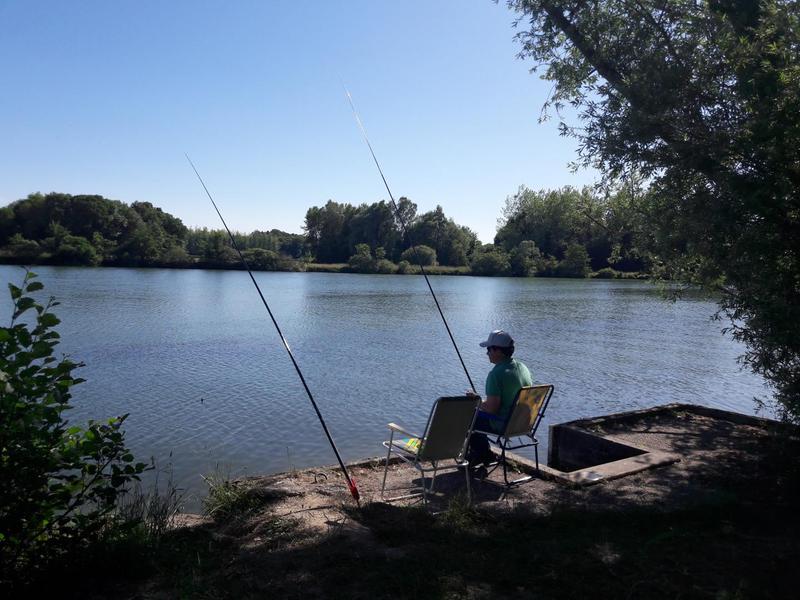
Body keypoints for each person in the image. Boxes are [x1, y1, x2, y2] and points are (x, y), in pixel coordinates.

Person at [466, 330, 532, 470]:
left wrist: (476, 400)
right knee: (477, 414)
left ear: (498, 351)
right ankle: (483, 453)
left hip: (503, 424)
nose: (487, 353)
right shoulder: (522, 367)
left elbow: (492, 409)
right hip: (523, 422)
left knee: (468, 416)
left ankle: (482, 455)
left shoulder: (496, 374)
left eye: (489, 349)